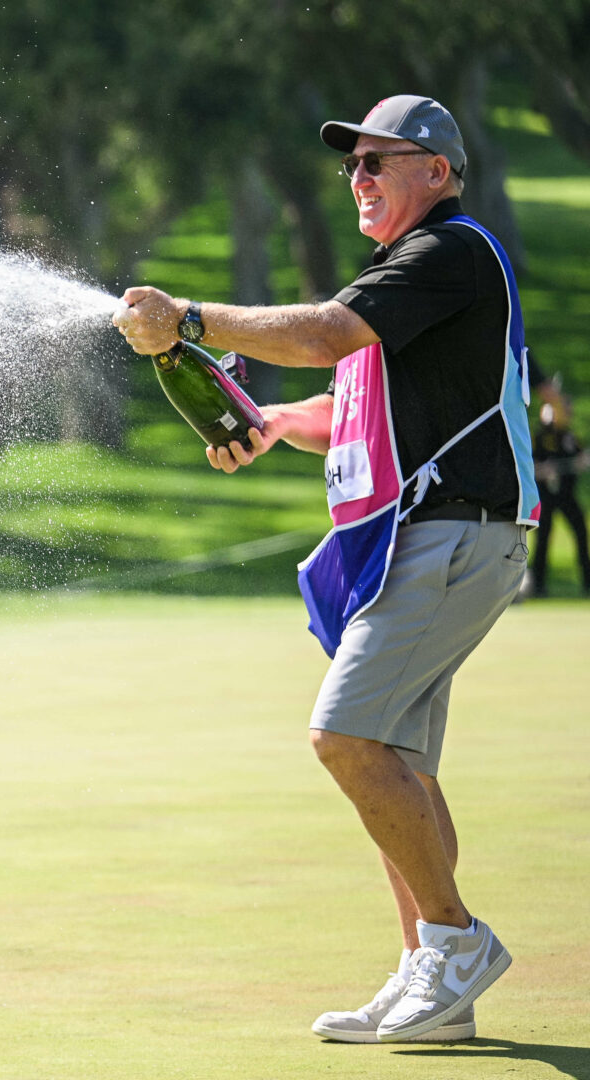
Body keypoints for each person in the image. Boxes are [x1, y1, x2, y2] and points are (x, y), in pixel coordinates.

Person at [113, 95, 531, 1045]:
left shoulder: (449, 251)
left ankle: (456, 944)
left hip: (455, 532)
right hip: (437, 536)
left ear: (439, 171)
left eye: (383, 161)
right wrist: (266, 428)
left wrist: (189, 315)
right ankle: (434, 980)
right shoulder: (408, 275)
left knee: (345, 738)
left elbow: (320, 336)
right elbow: (346, 405)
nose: (362, 178)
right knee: (400, 766)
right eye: (353, 166)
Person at [530, 401, 589, 597]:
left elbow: (579, 460)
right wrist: (541, 470)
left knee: (581, 533)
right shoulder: (538, 437)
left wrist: (582, 462)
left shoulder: (569, 436)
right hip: (546, 497)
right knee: (543, 537)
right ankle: (538, 585)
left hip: (567, 496)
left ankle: (587, 582)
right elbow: (531, 465)